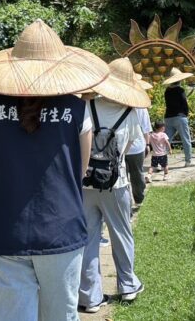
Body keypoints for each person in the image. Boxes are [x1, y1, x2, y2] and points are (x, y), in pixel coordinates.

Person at [0, 20, 110, 321]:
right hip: (62, 229)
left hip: (6, 230)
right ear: (58, 67)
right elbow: (79, 170)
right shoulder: (78, 109)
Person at [79, 58, 149, 313]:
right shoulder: (131, 114)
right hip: (115, 184)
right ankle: (128, 285)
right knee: (121, 233)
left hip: (85, 183)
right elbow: (128, 150)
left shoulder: (86, 106)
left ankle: (89, 297)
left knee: (88, 237)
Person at [125, 74, 153, 205]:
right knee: (137, 174)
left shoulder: (116, 103)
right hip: (137, 147)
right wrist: (147, 144)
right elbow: (146, 128)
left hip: (119, 147)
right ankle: (139, 199)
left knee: (122, 177)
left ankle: (126, 201)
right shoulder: (141, 105)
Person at [162, 67, 195, 167]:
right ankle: (188, 161)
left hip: (168, 117)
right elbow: (184, 104)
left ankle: (160, 161)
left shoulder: (167, 91)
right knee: (185, 139)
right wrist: (185, 114)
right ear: (179, 80)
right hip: (180, 117)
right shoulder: (180, 90)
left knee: (166, 140)